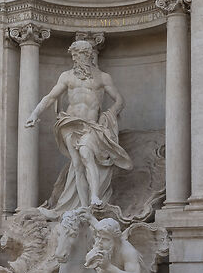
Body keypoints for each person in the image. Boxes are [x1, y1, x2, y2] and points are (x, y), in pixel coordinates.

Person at [25, 37, 131, 211]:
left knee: (86, 153)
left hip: (90, 125)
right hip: (69, 123)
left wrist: (110, 113)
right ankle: (83, 207)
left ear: (88, 55)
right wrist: (35, 113)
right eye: (74, 55)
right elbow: (51, 97)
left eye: (79, 54)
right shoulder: (66, 76)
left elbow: (119, 100)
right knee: (77, 164)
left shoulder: (102, 77)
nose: (75, 58)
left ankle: (94, 196)